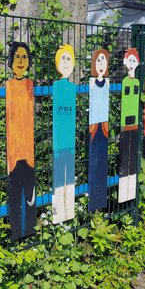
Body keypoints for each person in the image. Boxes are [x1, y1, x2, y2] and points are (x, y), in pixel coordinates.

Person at [6, 41, 36, 239]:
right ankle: (16, 234)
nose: (21, 61)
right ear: (11, 61)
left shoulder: (30, 85)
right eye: (17, 56)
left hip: (28, 152)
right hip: (14, 153)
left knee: (30, 197)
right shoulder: (9, 85)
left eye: (24, 57)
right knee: (15, 196)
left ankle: (30, 232)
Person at [119, 48, 145, 203]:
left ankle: (131, 186)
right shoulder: (126, 81)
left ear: (138, 63)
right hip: (126, 124)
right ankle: (124, 186)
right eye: (130, 60)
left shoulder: (137, 82)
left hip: (134, 124)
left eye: (134, 61)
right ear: (126, 62)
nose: (132, 63)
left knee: (133, 154)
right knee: (126, 152)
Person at [52, 44, 76, 223]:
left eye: (69, 59)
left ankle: (68, 210)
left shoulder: (71, 88)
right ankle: (59, 211)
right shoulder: (58, 87)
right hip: (60, 146)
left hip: (70, 145)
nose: (66, 63)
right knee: (60, 178)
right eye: (63, 59)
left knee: (69, 178)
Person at [88, 49, 110, 211]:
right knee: (95, 157)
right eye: (99, 61)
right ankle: (94, 195)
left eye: (104, 61)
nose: (101, 64)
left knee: (102, 157)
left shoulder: (107, 84)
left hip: (104, 126)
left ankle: (99, 193)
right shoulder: (92, 84)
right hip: (95, 127)